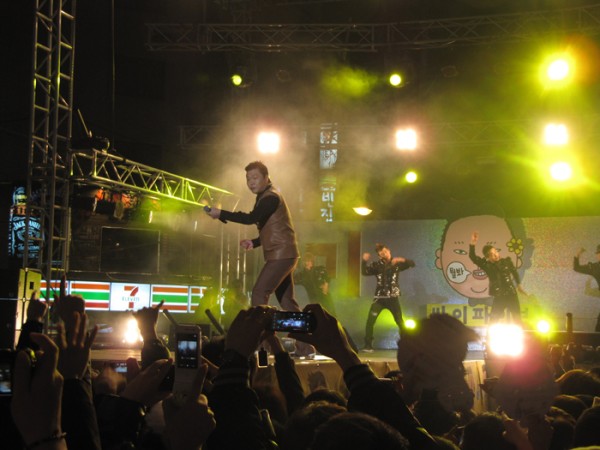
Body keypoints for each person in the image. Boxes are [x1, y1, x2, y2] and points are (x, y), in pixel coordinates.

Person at [205, 161, 314, 356]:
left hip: (281, 255)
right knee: (287, 302)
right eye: (248, 179)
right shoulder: (266, 196)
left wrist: (220, 213)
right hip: (284, 253)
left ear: (266, 177)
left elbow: (250, 218)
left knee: (258, 294)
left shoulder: (270, 197)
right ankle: (305, 347)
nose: (251, 182)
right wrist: (255, 242)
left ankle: (264, 347)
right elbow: (275, 228)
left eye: (255, 178)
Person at [361, 243, 415, 352]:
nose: (384, 254)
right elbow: (364, 272)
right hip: (379, 298)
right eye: (381, 254)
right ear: (379, 256)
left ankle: (408, 345)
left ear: (389, 251)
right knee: (370, 321)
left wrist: (401, 259)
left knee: (399, 321)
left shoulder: (396, 263)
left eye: (385, 252)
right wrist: (364, 261)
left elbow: (412, 264)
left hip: (392, 297)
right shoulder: (377, 265)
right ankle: (368, 345)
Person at [469, 231, 528, 324]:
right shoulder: (487, 265)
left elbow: (514, 272)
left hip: (511, 294)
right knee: (493, 320)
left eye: (496, 251)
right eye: (492, 254)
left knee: (517, 319)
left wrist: (519, 285)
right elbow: (473, 257)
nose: (496, 254)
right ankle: (490, 333)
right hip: (499, 296)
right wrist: (472, 244)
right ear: (488, 257)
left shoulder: (506, 261)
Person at [573, 246, 600, 331]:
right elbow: (577, 268)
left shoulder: (595, 267)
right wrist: (577, 255)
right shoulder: (594, 267)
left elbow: (576, 268)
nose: (598, 255)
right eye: (598, 253)